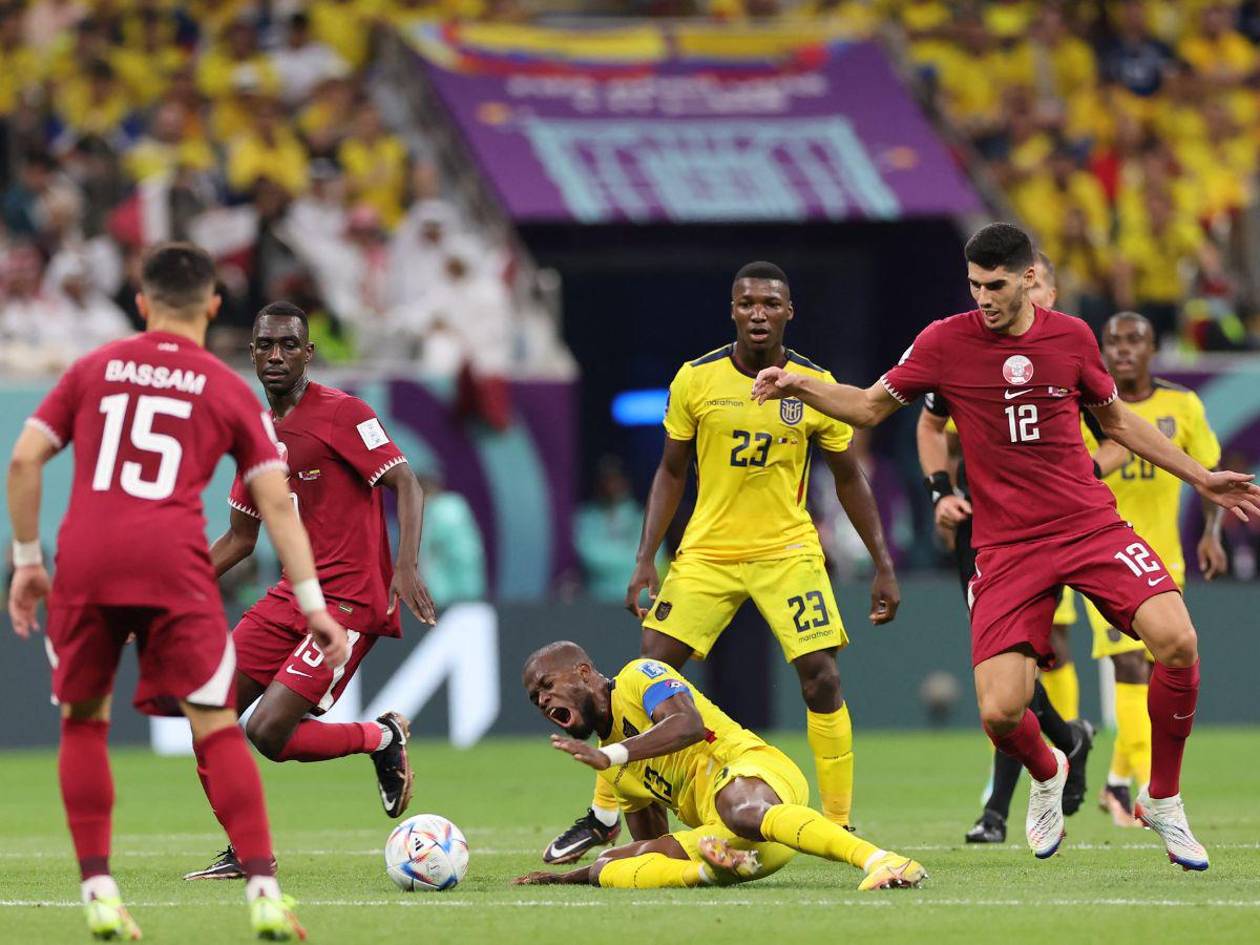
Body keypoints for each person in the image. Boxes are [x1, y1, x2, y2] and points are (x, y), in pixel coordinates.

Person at [752, 223, 1260, 869]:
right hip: (1008, 545)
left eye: (995, 285)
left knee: (1179, 640)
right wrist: (799, 384)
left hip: (1087, 524)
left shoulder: (1071, 337)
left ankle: (1162, 796)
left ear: (1028, 279)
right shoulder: (944, 341)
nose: (984, 298)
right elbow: (868, 407)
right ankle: (1049, 769)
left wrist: (1201, 477)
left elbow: (1119, 423)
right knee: (999, 712)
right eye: (974, 285)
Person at [6, 242, 344, 941]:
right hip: (173, 562)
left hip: (89, 557)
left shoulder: (92, 368)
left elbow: (25, 457)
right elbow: (276, 503)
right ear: (215, 305)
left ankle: (99, 890)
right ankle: (264, 893)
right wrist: (313, 604)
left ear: (141, 302)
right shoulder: (225, 388)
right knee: (216, 722)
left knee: (84, 721)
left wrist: (28, 560)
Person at [543, 261, 900, 865]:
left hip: (787, 550)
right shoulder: (696, 380)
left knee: (822, 676)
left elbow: (848, 477)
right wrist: (645, 558)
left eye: (770, 303)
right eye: (746, 302)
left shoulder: (814, 384)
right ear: (731, 310)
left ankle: (839, 823)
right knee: (643, 677)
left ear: (789, 313)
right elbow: (671, 470)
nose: (757, 312)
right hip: (707, 553)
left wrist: (882, 562)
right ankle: (613, 819)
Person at [184, 300, 437, 881]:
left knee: (268, 732)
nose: (276, 355)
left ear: (308, 353)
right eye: (266, 345)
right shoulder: (253, 435)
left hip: (348, 599)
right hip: (289, 597)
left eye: (289, 345)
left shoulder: (342, 413)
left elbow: (406, 481)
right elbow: (241, 537)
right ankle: (247, 852)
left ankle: (381, 736)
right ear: (250, 353)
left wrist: (404, 566)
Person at [917, 251, 1096, 844]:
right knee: (1007, 666)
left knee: (1044, 655)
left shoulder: (1067, 351)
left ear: (1042, 287)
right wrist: (943, 492)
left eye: (1040, 282)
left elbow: (1115, 431)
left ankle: (1007, 800)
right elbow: (932, 424)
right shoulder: (968, 348)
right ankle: (1062, 746)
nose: (1028, 294)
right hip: (993, 528)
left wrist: (1084, 473)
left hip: (1072, 527)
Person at [515, 642, 925, 891]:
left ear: (584, 673)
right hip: (738, 844)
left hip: (758, 777)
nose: (544, 702)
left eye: (547, 686)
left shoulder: (640, 676)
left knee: (741, 810)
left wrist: (615, 754)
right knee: (608, 866)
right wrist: (575, 876)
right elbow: (655, 846)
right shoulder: (611, 767)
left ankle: (882, 861)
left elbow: (688, 724)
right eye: (536, 700)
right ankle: (708, 874)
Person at [1084, 312, 1225, 826]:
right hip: (1099, 556)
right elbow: (1074, 473)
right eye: (1113, 341)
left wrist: (1210, 533)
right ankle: (1148, 793)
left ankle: (1118, 781)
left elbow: (1208, 471)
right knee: (1127, 667)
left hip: (1164, 560)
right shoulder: (1086, 407)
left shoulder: (1181, 404)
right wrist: (1106, 457)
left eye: (1133, 341)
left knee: (1157, 671)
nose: (1122, 350)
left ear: (1152, 349)